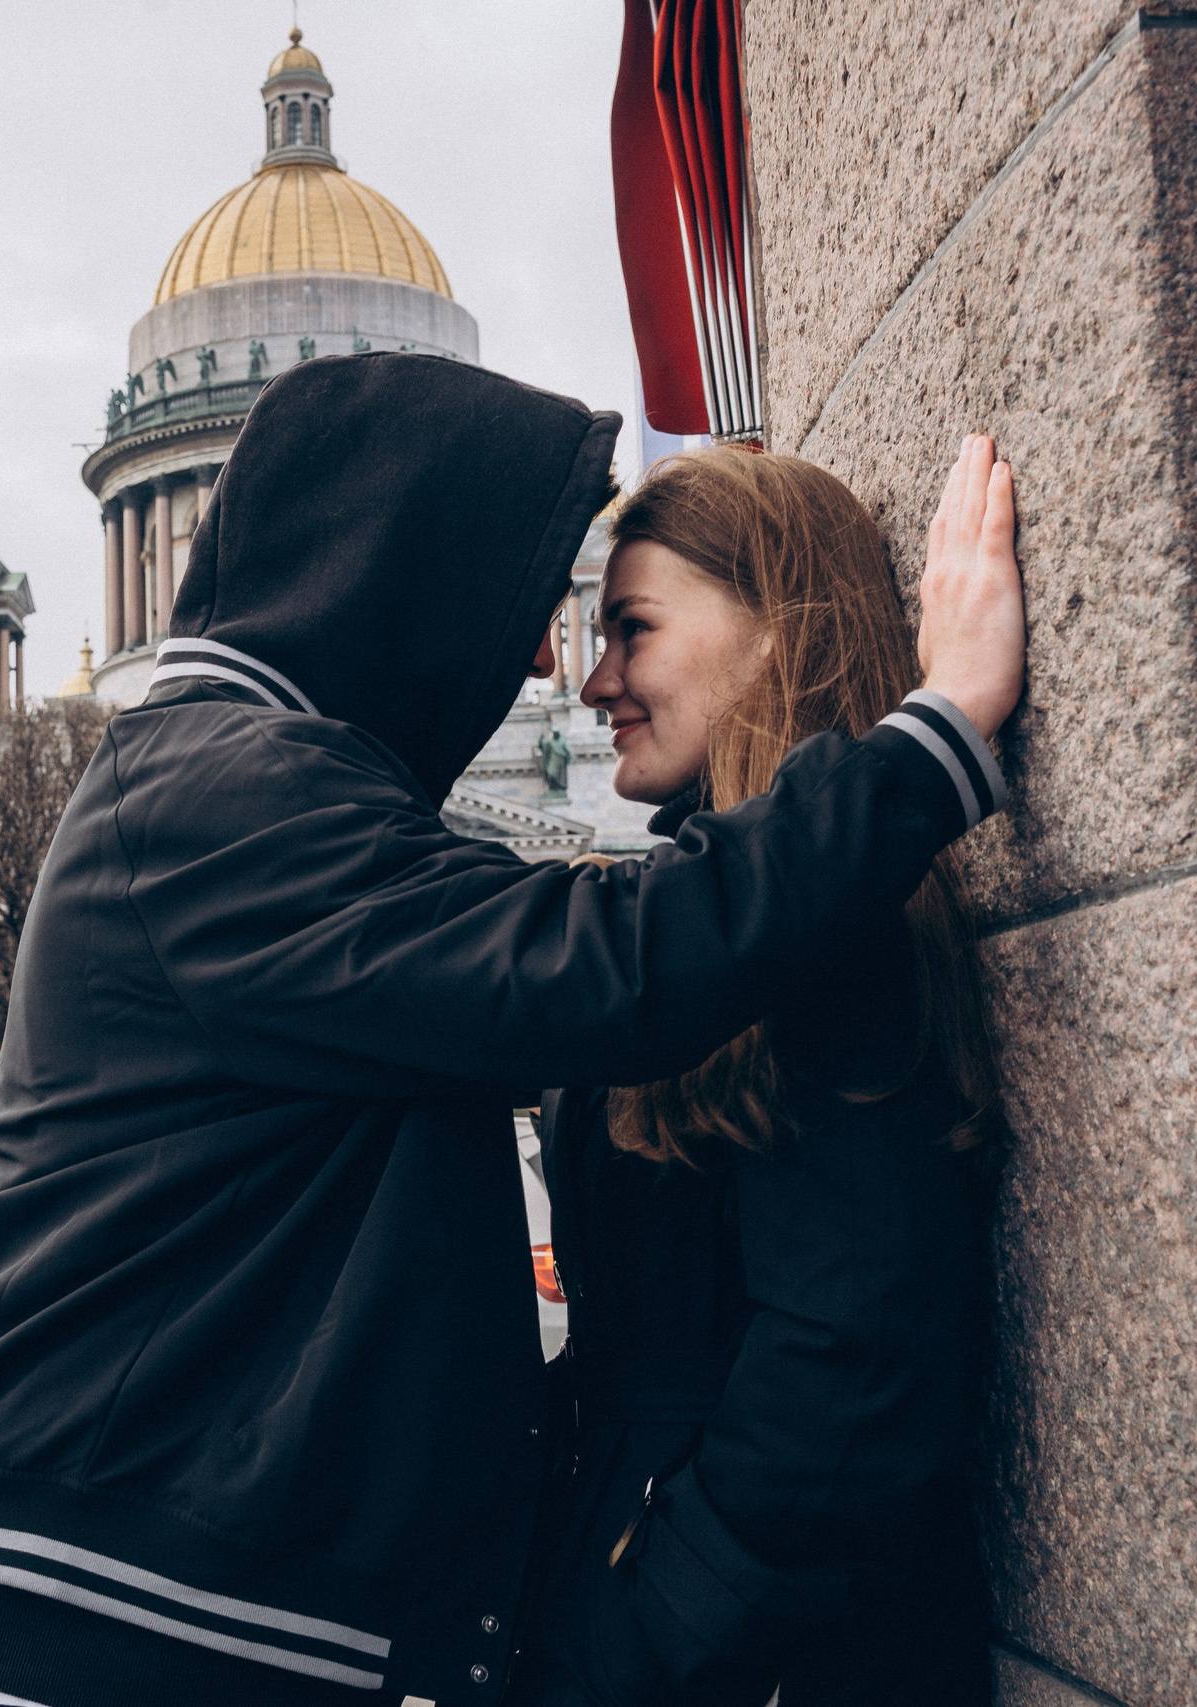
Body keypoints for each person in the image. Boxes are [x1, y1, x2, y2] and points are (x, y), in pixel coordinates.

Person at [0, 355, 1025, 1707]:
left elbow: (839, 1358)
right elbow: (609, 964)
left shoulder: (233, 778)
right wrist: (938, 736)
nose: (553, 666)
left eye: (612, 626)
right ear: (402, 565)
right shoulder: (238, 787)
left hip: (123, 1566)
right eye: (534, 603)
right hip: (97, 1589)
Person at [509, 444, 1011, 1706]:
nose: (592, 682)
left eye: (630, 629)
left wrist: (638, 1634)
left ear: (777, 637)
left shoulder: (828, 946)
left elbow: (848, 1364)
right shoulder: (729, 922)